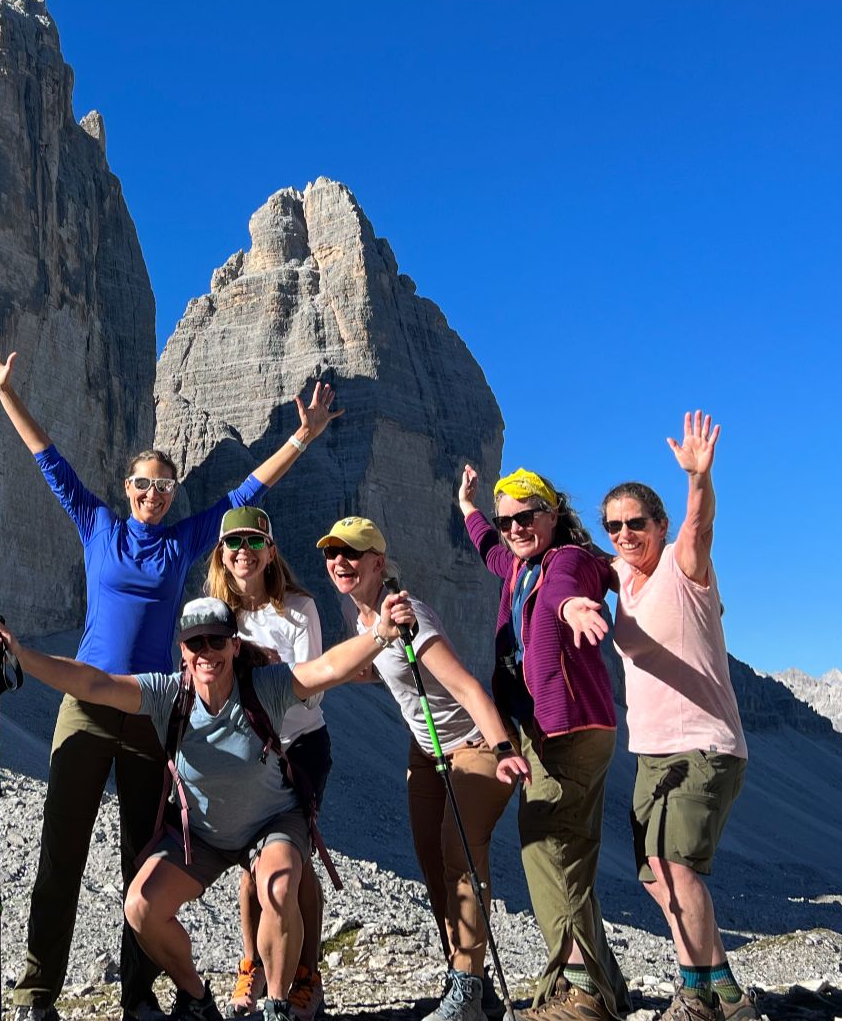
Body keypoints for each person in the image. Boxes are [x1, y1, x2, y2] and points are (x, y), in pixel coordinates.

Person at [0, 336, 342, 1021]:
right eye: (142, 485)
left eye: (164, 488)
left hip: (153, 711)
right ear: (127, 489)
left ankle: (137, 997)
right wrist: (4, 391)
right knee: (61, 852)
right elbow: (49, 459)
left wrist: (302, 437)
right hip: (86, 702)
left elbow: (246, 493)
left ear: (172, 495)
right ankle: (36, 994)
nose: (152, 495)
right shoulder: (98, 527)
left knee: (140, 856)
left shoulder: (183, 539)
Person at [0, 595, 416, 1021]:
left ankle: (277, 1006)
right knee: (141, 907)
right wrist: (22, 654)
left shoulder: (265, 685)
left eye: (216, 641)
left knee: (279, 888)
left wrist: (380, 632)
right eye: (196, 643)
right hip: (202, 835)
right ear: (183, 650)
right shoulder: (168, 694)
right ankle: (196, 997)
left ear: (235, 646)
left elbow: (327, 669)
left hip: (270, 823)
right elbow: (94, 684)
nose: (207, 652)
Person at [312, 516, 533, 1021]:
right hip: (426, 753)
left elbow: (466, 688)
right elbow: (381, 668)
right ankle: (468, 982)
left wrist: (502, 748)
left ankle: (467, 990)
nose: (339, 562)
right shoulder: (363, 616)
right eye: (331, 554)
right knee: (433, 865)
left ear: (378, 563)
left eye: (351, 553)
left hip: (476, 746)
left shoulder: (410, 617)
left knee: (460, 856)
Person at [597, 413, 753, 1021]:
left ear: (659, 525)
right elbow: (573, 560)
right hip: (651, 751)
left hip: (703, 744)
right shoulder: (621, 576)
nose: (625, 534)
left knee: (677, 868)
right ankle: (727, 996)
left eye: (637, 523)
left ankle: (694, 995)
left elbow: (700, 525)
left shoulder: (682, 566)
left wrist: (698, 477)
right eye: (615, 526)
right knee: (656, 877)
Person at [458, 467, 625, 1021]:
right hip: (552, 729)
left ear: (552, 514)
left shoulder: (566, 560)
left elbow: (563, 591)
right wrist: (468, 507)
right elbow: (489, 549)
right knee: (568, 852)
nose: (514, 528)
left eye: (525, 517)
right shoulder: (518, 563)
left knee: (546, 851)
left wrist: (572, 607)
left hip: (566, 731)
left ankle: (581, 994)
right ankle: (605, 986)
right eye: (506, 520)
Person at [203, 507, 328, 1019]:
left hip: (299, 748)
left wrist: (266, 670)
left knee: (291, 860)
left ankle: (305, 975)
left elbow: (312, 693)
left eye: (255, 542)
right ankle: (254, 962)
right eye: (234, 543)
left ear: (271, 552)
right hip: (245, 751)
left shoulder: (299, 609)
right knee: (254, 866)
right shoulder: (217, 613)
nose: (244, 552)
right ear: (221, 555)